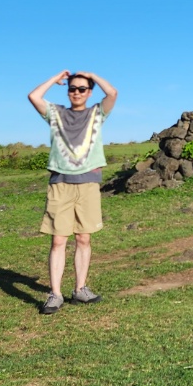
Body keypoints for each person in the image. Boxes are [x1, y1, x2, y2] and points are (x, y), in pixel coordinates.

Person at [27, 69, 118, 314]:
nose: (76, 92)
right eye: (72, 88)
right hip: (61, 183)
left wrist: (93, 74)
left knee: (84, 238)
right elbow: (33, 96)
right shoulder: (56, 113)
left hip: (88, 183)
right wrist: (55, 78)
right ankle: (55, 294)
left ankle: (80, 289)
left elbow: (112, 92)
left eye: (82, 89)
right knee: (58, 240)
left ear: (89, 92)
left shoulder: (97, 113)